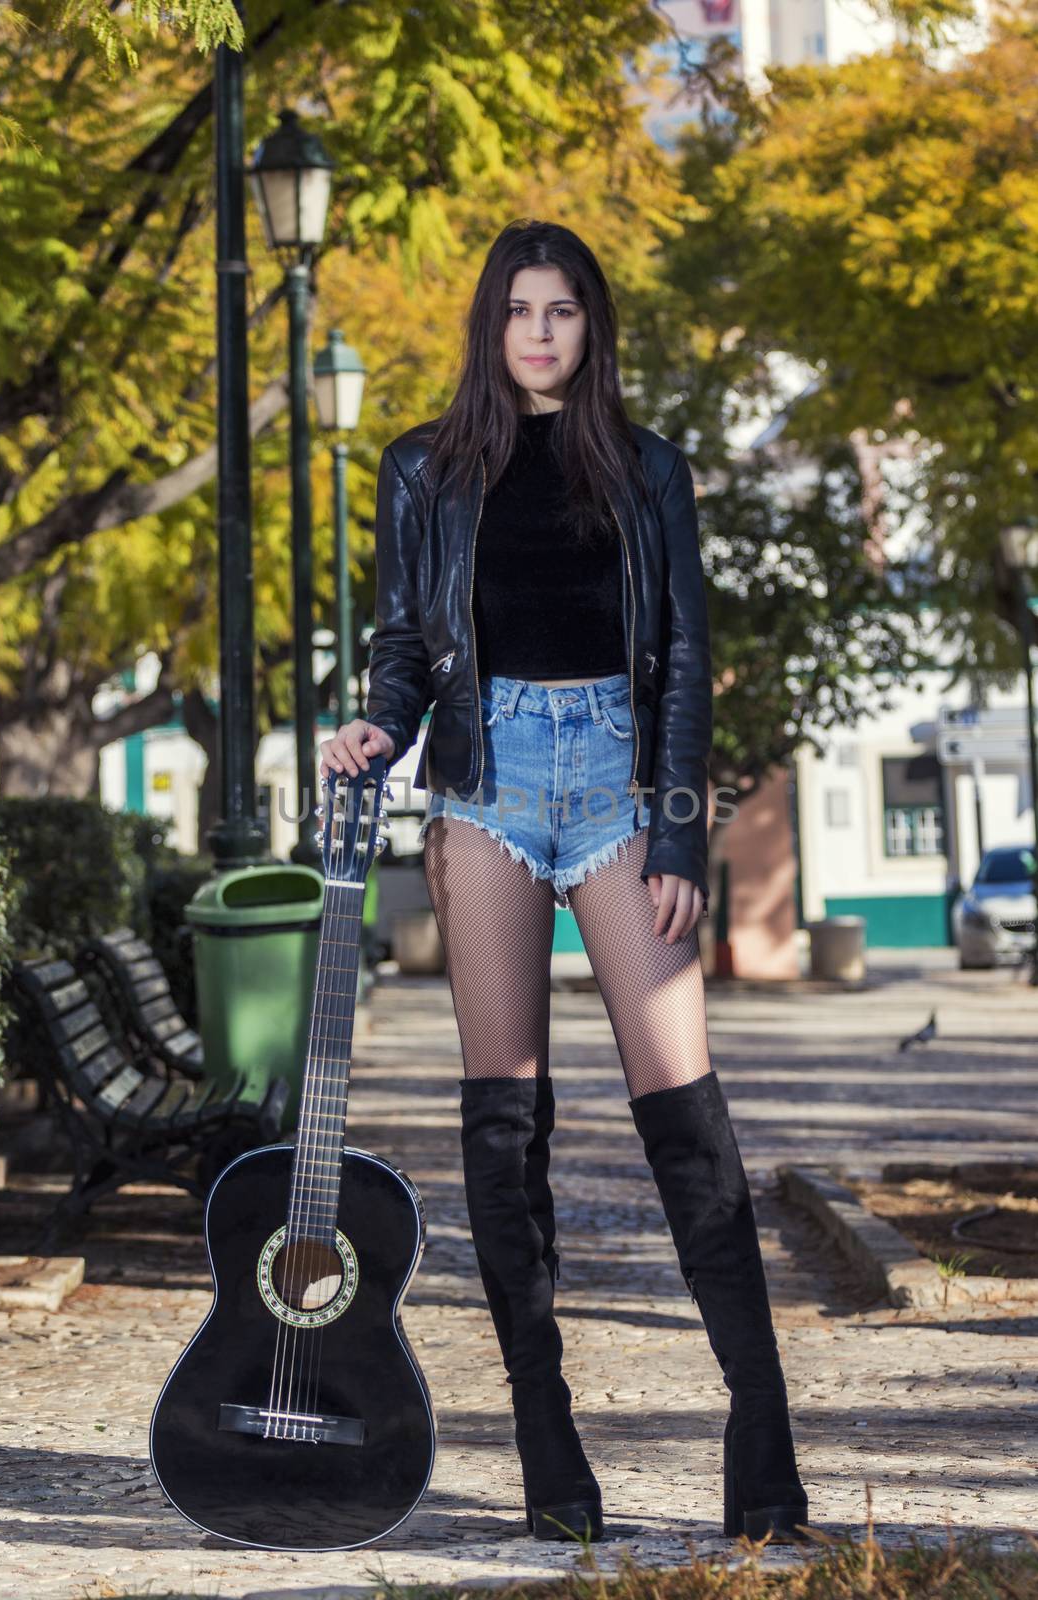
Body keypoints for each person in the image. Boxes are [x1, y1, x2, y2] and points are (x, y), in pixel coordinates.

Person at [319, 219, 809, 1547]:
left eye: (565, 312)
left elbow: (689, 659)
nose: (541, 331)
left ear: (593, 329)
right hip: (482, 789)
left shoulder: (650, 471)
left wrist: (676, 838)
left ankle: (764, 1461)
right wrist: (378, 722)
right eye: (520, 310)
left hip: (615, 782)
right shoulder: (420, 469)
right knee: (503, 1119)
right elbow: (407, 643)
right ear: (493, 325)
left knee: (685, 1117)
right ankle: (551, 1452)